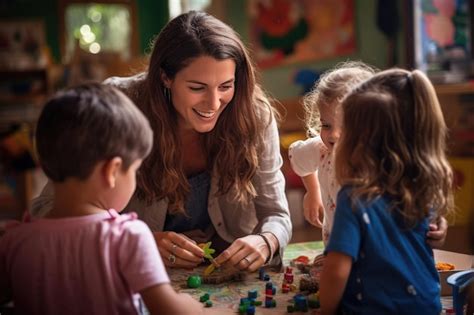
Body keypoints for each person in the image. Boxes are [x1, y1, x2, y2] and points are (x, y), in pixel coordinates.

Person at [31, 11, 292, 271]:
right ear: (165, 77)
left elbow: (277, 214)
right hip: (132, 267)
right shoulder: (116, 106)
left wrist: (266, 240)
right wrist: (136, 241)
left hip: (217, 274)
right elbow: (47, 209)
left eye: (226, 86)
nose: (214, 104)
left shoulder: (253, 113)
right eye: (197, 88)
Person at [0, 83, 203, 314]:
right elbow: (170, 311)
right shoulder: (128, 237)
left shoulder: (14, 241)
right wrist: (191, 305)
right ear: (112, 171)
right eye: (134, 170)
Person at [319, 69, 454, 314]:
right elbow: (428, 238)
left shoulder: (352, 197)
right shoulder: (419, 185)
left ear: (359, 141)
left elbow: (336, 271)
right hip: (428, 306)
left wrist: (326, 309)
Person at [288, 61, 448, 247]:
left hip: (380, 256)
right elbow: (297, 158)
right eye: (326, 125)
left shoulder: (387, 157)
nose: (333, 135)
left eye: (345, 125)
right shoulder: (321, 150)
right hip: (338, 253)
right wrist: (312, 191)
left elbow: (418, 203)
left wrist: (436, 225)